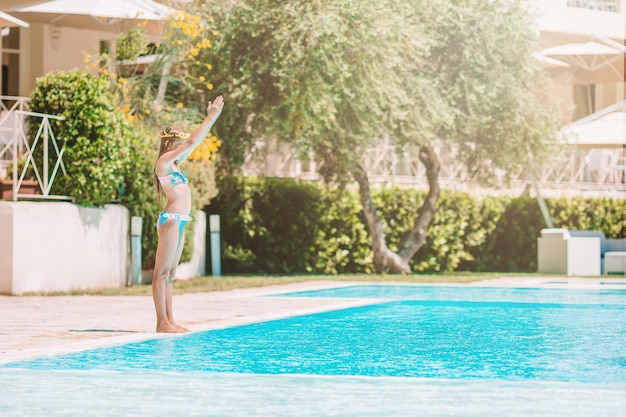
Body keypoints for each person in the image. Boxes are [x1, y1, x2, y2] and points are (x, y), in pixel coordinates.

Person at [152, 95, 224, 333]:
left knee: (171, 273)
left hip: (180, 220)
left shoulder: (176, 164)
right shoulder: (163, 161)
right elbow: (193, 140)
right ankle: (161, 322)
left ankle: (170, 320)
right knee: (161, 273)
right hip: (171, 220)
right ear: (170, 142)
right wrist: (210, 117)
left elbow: (195, 142)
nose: (183, 142)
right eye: (179, 138)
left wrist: (210, 123)